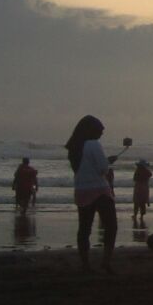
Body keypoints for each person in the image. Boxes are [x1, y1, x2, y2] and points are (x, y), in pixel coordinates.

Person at [65, 114, 121, 274]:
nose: (102, 134)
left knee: (84, 228)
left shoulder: (74, 146)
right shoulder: (93, 144)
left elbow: (83, 168)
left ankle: (85, 264)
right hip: (99, 190)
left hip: (81, 190)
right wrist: (107, 162)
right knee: (111, 226)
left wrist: (104, 161)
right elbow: (102, 169)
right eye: (100, 131)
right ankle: (106, 261)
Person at [131, 159, 153, 227]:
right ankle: (141, 216)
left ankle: (135, 215)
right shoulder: (146, 172)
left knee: (136, 202)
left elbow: (134, 179)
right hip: (145, 187)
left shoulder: (137, 171)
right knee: (142, 202)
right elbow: (150, 174)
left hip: (138, 187)